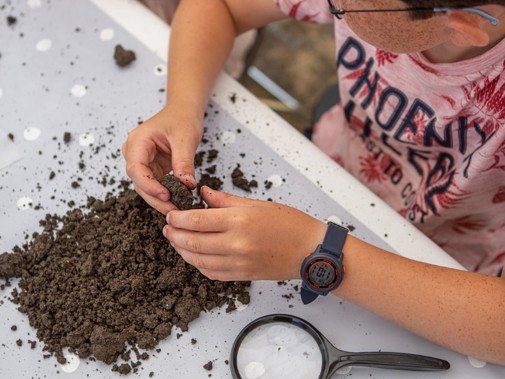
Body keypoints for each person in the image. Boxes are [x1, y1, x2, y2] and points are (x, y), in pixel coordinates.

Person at [122, 0, 505, 365]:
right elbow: (219, 6)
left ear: (465, 28)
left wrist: (318, 254)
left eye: (340, 6)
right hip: (331, 168)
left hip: (439, 263)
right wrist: (182, 107)